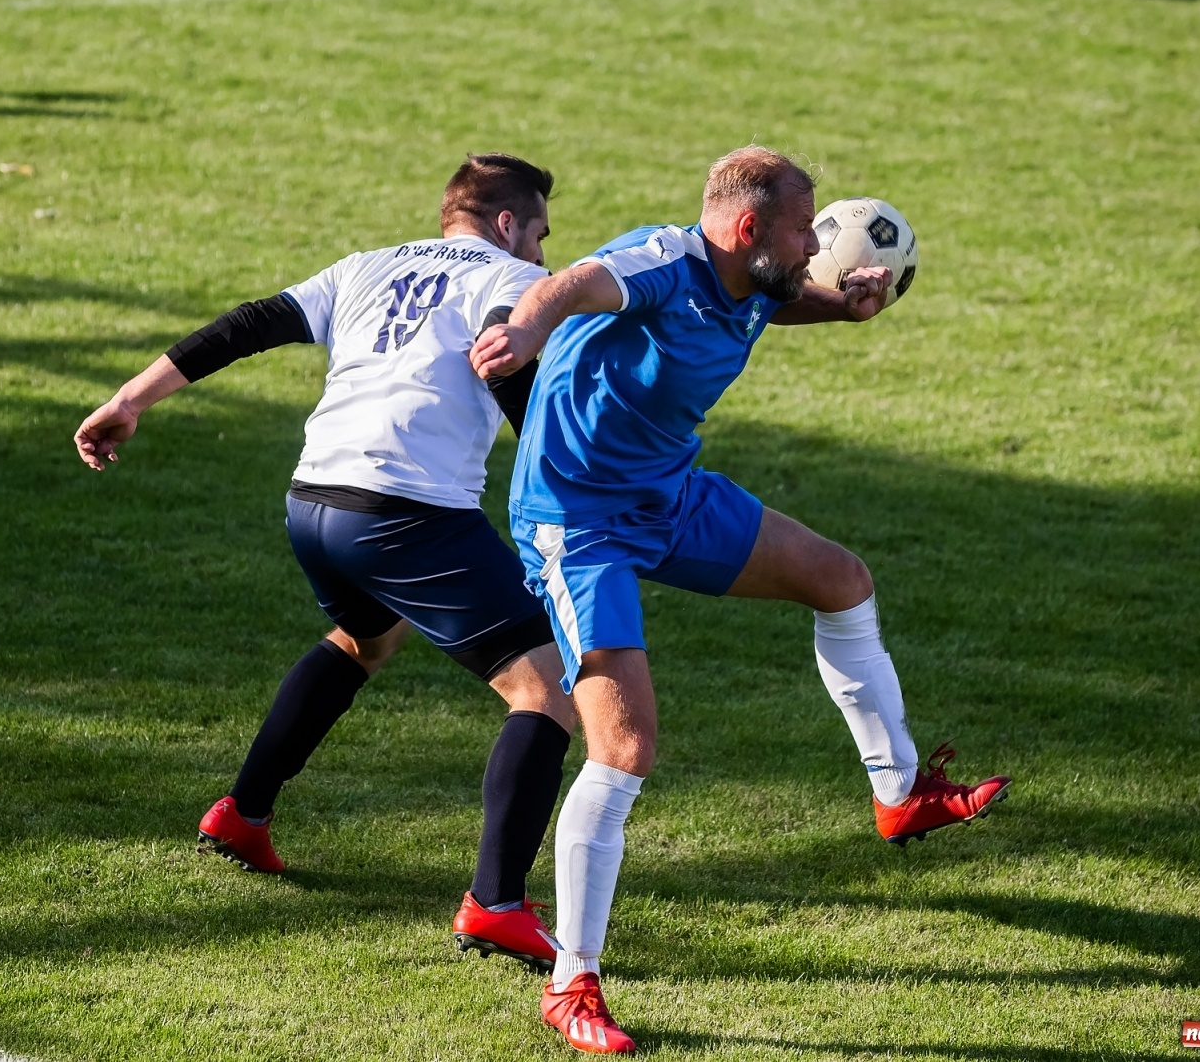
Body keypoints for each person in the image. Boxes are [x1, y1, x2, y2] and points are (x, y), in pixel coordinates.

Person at [469, 145, 1012, 1053]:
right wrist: (523, 332)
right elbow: (569, 285)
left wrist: (845, 303)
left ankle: (900, 793)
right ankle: (573, 983)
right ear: (749, 225)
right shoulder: (662, 263)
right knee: (626, 743)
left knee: (843, 581)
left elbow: (771, 300)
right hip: (579, 522)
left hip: (671, 496)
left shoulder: (753, 275)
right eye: (808, 228)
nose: (817, 243)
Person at [73, 153, 578, 973]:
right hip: (407, 512)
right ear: (509, 224)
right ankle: (497, 903)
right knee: (547, 689)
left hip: (313, 504)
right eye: (541, 236)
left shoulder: (365, 266)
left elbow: (245, 325)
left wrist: (130, 398)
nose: (544, 258)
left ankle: (243, 814)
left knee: (366, 640)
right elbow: (512, 370)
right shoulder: (509, 281)